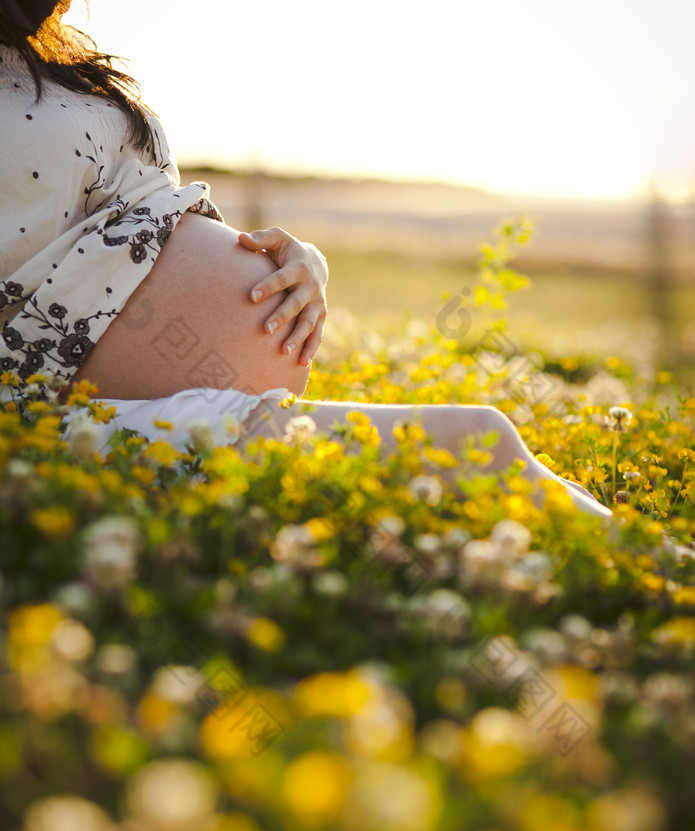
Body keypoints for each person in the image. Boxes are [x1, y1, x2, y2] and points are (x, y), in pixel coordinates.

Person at [0, 0, 613, 522]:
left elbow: (142, 212)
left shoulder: (60, 64)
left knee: (499, 453)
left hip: (176, 395)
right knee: (482, 441)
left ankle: (658, 567)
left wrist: (301, 263)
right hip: (68, 419)